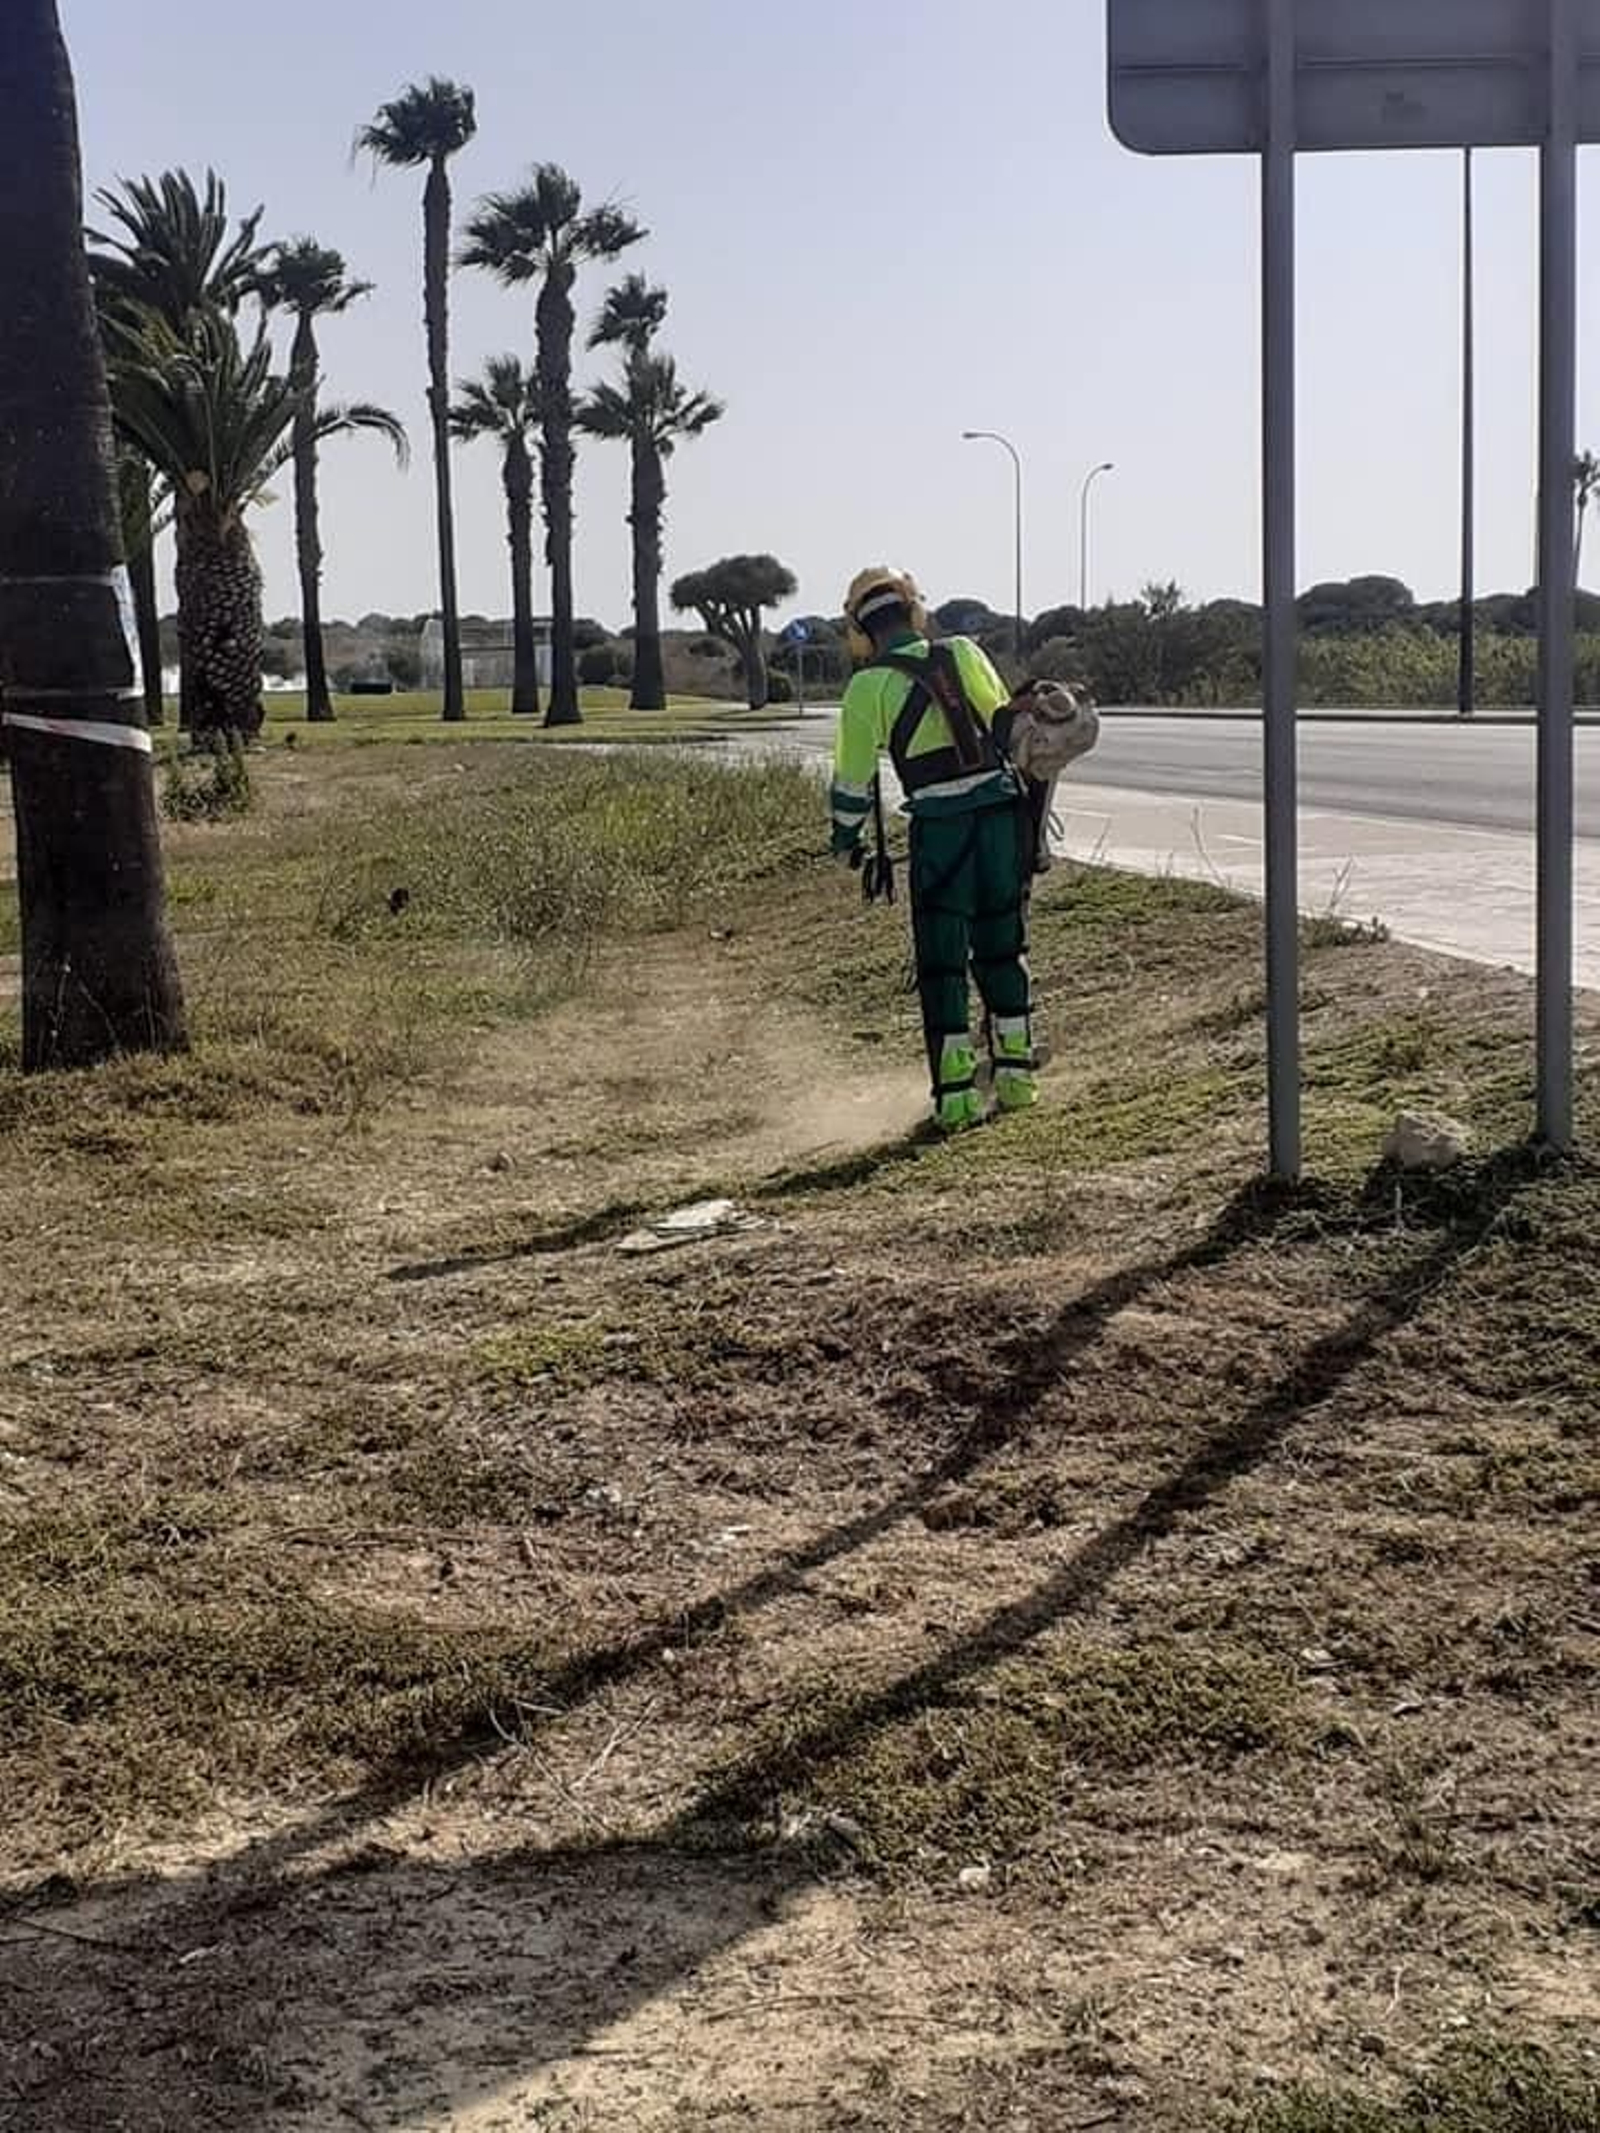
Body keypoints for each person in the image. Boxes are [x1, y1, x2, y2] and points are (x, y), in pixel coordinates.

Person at [830, 567, 1037, 1132]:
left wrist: (846, 840)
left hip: (940, 835)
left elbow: (851, 782)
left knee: (943, 965)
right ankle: (1017, 1079)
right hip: (1000, 821)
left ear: (861, 630)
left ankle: (956, 1099)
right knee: (1003, 947)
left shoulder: (866, 689)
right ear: (914, 611)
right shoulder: (963, 653)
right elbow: (1004, 725)